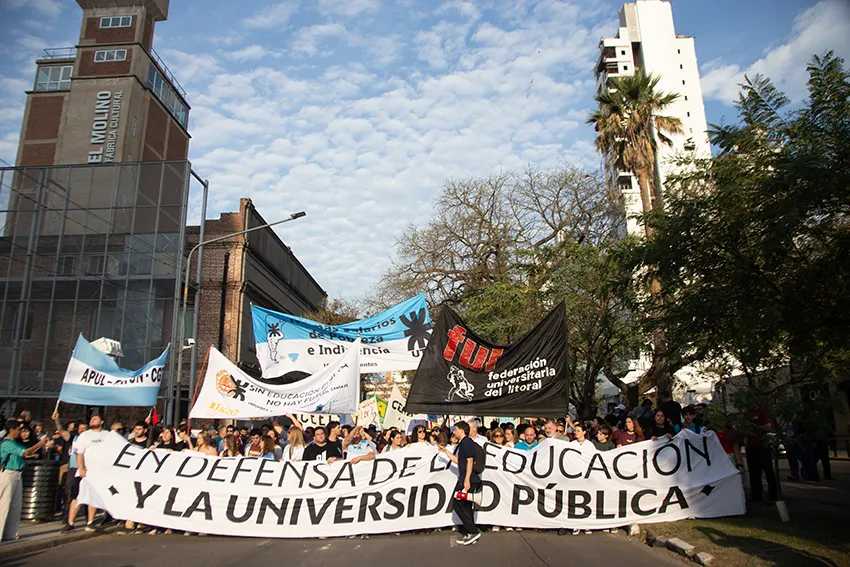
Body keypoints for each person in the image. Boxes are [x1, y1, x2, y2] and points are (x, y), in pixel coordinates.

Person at [0, 420, 50, 541]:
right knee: (4, 505)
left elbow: (27, 451)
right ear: (11, 430)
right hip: (7, 473)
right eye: (19, 430)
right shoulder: (7, 443)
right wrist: (40, 444)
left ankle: (11, 533)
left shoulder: (15, 443)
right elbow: (25, 452)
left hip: (18, 473)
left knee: (15, 506)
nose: (20, 432)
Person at [438, 421, 480, 546]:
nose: (454, 432)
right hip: (465, 477)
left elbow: (470, 461)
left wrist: (467, 479)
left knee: (457, 503)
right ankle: (470, 532)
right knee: (465, 505)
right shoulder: (463, 443)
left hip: (467, 479)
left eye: (456, 429)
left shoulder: (466, 442)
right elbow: (459, 461)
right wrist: (445, 452)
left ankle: (473, 531)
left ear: (461, 430)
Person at [66, 413, 109, 532]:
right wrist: (81, 468)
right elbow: (79, 454)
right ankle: (70, 522)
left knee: (93, 497)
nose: (92, 421)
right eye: (91, 419)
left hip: (99, 473)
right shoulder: (84, 436)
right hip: (84, 472)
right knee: (77, 497)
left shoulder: (107, 435)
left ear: (101, 422)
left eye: (95, 419)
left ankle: (90, 522)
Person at [746, 402, 777, 502]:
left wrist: (755, 426)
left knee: (768, 472)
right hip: (751, 447)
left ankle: (773, 495)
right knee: (754, 473)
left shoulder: (762, 412)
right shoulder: (746, 413)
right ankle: (756, 495)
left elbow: (768, 427)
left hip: (762, 446)